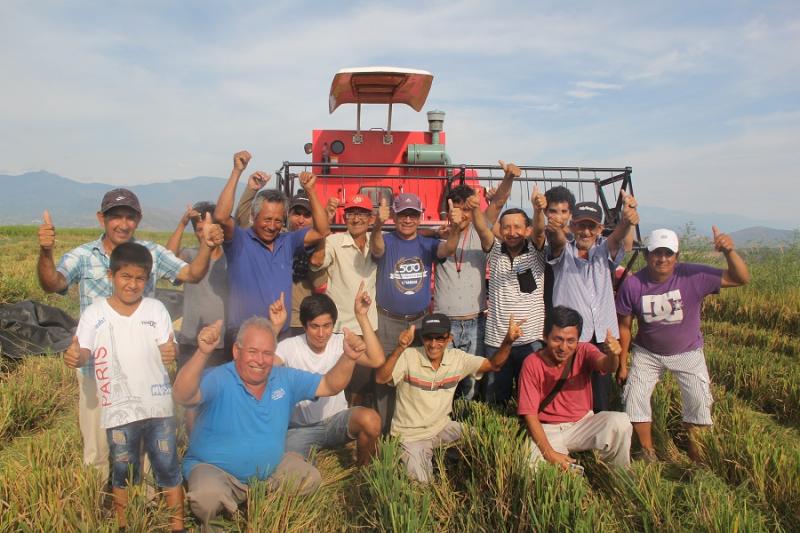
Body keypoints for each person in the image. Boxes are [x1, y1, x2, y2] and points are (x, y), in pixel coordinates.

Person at [36, 187, 223, 479]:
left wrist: (207, 247)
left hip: (144, 372)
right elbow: (53, 283)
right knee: (97, 447)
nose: (123, 224)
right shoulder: (84, 256)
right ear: (101, 219)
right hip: (95, 370)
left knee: (147, 447)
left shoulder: (150, 253)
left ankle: (144, 504)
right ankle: (99, 502)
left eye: (129, 217)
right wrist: (46, 251)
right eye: (115, 217)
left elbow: (192, 274)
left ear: (138, 219)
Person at [173, 316, 364, 531]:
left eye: (267, 353)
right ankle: (228, 511)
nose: (260, 360)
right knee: (207, 500)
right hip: (215, 469)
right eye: (252, 352)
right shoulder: (219, 377)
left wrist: (349, 357)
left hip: (269, 471)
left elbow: (329, 385)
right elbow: (182, 396)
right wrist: (203, 352)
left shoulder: (284, 378)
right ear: (237, 351)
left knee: (310, 478)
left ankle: (253, 498)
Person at [63, 242, 185, 532]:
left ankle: (177, 525)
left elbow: (170, 348)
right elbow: (83, 352)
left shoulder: (155, 309)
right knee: (123, 470)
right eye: (126, 277)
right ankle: (124, 524)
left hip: (158, 408)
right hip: (118, 410)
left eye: (140, 278)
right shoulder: (94, 313)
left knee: (167, 465)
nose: (132, 284)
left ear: (148, 279)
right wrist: (74, 356)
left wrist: (173, 352)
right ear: (111, 276)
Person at [616, 227, 750, 462]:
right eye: (657, 253)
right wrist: (623, 363)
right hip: (647, 352)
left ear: (677, 257)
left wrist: (729, 251)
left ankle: (696, 455)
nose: (662, 259)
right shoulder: (633, 284)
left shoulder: (693, 276)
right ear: (647, 255)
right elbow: (624, 326)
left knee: (699, 401)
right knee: (634, 396)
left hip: (688, 351)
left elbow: (740, 278)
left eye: (669, 254)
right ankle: (647, 452)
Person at [375, 312, 523, 482]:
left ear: (449, 339)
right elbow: (381, 378)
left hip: (442, 427)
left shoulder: (457, 359)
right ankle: (427, 461)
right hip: (411, 436)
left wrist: (508, 341)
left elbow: (494, 365)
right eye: (428, 338)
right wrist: (399, 349)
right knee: (422, 485)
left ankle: (443, 460)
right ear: (422, 338)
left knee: (485, 443)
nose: (433, 344)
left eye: (440, 338)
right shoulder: (408, 356)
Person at [370, 192, 465, 432]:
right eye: (403, 214)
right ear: (394, 215)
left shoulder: (427, 244)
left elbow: (448, 250)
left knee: (415, 376)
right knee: (386, 376)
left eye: (413, 215)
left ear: (420, 216)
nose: (408, 220)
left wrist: (455, 228)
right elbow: (377, 247)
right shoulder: (387, 240)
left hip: (420, 321)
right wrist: (378, 224)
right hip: (388, 320)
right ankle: (384, 432)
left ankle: (412, 428)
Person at [212, 151, 330, 344]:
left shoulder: (288, 242)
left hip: (281, 335)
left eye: (278, 220)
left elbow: (322, 230)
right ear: (253, 216)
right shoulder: (239, 241)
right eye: (267, 219)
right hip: (244, 336)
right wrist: (236, 171)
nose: (272, 226)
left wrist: (311, 191)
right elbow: (221, 216)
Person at [432, 160, 518, 400]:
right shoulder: (436, 236)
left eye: (467, 208)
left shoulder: (481, 230)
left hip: (475, 321)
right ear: (449, 210)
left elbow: (498, 203)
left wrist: (509, 177)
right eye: (457, 208)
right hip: (445, 321)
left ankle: (467, 425)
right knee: (444, 381)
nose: (463, 214)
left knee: (471, 383)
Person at [545, 192, 639, 411]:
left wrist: (626, 220)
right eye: (580, 225)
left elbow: (618, 238)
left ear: (600, 229)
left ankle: (599, 435)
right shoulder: (562, 252)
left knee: (600, 392)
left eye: (591, 226)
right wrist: (555, 227)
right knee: (569, 389)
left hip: (603, 336)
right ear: (572, 225)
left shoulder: (604, 250)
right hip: (571, 338)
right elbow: (557, 240)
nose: (585, 231)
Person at [277, 288, 384, 465]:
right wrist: (275, 327)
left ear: (333, 324)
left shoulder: (339, 342)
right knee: (294, 471)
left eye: (327, 326)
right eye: (315, 326)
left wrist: (362, 317)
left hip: (337, 422)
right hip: (301, 429)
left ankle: (364, 472)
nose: (321, 334)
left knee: (371, 421)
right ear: (304, 326)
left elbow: (377, 359)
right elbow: (264, 366)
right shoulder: (288, 347)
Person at [518, 306, 632, 470]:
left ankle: (618, 477)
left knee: (620, 422)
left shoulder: (584, 351)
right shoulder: (532, 363)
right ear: (545, 336)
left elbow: (607, 366)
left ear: (578, 339)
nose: (564, 347)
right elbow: (530, 414)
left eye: (571, 341)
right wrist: (549, 453)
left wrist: (613, 355)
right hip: (548, 429)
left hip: (583, 423)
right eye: (557, 339)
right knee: (531, 464)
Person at [471, 178, 547, 405]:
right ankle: (499, 437)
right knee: (495, 399)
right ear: (501, 230)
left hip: (531, 340)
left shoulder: (536, 252)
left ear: (527, 229)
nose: (512, 232)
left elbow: (541, 231)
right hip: (497, 340)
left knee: (532, 398)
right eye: (507, 227)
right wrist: (476, 208)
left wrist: (537, 209)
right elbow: (482, 228)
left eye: (518, 227)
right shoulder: (494, 251)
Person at [308, 193, 378, 405]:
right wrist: (323, 230)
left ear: (371, 219)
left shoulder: (377, 244)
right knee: (338, 385)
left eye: (361, 214)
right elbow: (316, 262)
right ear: (344, 217)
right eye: (350, 214)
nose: (355, 219)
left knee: (361, 386)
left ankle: (352, 432)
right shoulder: (333, 242)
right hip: (341, 329)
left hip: (368, 327)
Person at [165, 201, 229, 431]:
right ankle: (192, 447)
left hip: (223, 343)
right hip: (192, 339)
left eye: (209, 229)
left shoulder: (231, 260)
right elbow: (166, 258)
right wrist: (182, 224)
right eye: (199, 230)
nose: (205, 235)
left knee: (217, 399)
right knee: (190, 398)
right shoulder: (191, 256)